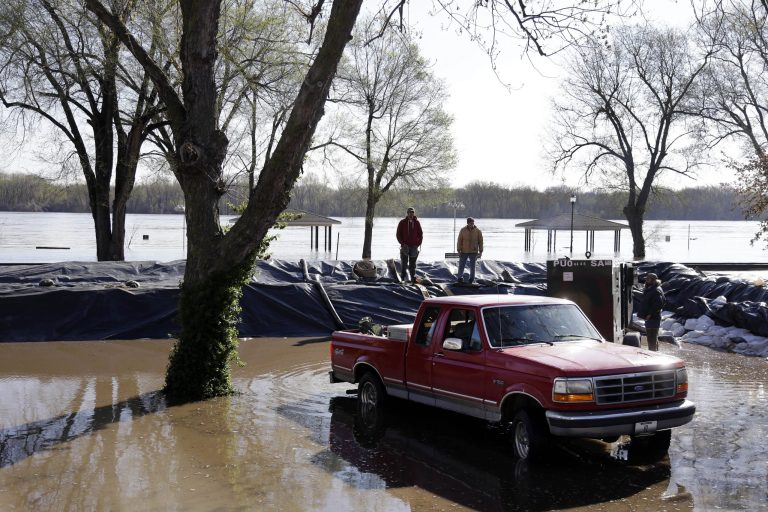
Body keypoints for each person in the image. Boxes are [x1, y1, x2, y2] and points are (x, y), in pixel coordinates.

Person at [638, 272, 665, 351]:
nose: (646, 281)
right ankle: (655, 352)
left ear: (653, 280)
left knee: (651, 337)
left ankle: (652, 354)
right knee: (652, 337)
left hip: (653, 318)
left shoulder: (656, 290)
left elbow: (659, 304)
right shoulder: (652, 288)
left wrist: (650, 314)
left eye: (648, 279)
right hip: (651, 318)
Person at [396, 207, 423, 283]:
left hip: (414, 247)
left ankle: (412, 279)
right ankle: (402, 278)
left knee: (412, 265)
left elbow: (420, 234)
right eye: (409, 213)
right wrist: (402, 244)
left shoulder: (417, 223)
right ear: (407, 213)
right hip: (405, 246)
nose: (411, 214)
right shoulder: (402, 222)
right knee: (404, 264)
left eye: (412, 213)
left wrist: (418, 244)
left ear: (414, 214)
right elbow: (398, 235)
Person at [456, 217, 483, 284]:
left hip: (473, 251)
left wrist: (481, 251)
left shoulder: (478, 231)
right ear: (468, 223)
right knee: (461, 265)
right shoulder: (462, 230)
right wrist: (459, 250)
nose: (472, 224)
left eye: (473, 223)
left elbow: (481, 241)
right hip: (464, 251)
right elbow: (459, 240)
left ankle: (471, 279)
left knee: (472, 266)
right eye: (471, 223)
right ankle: (460, 278)